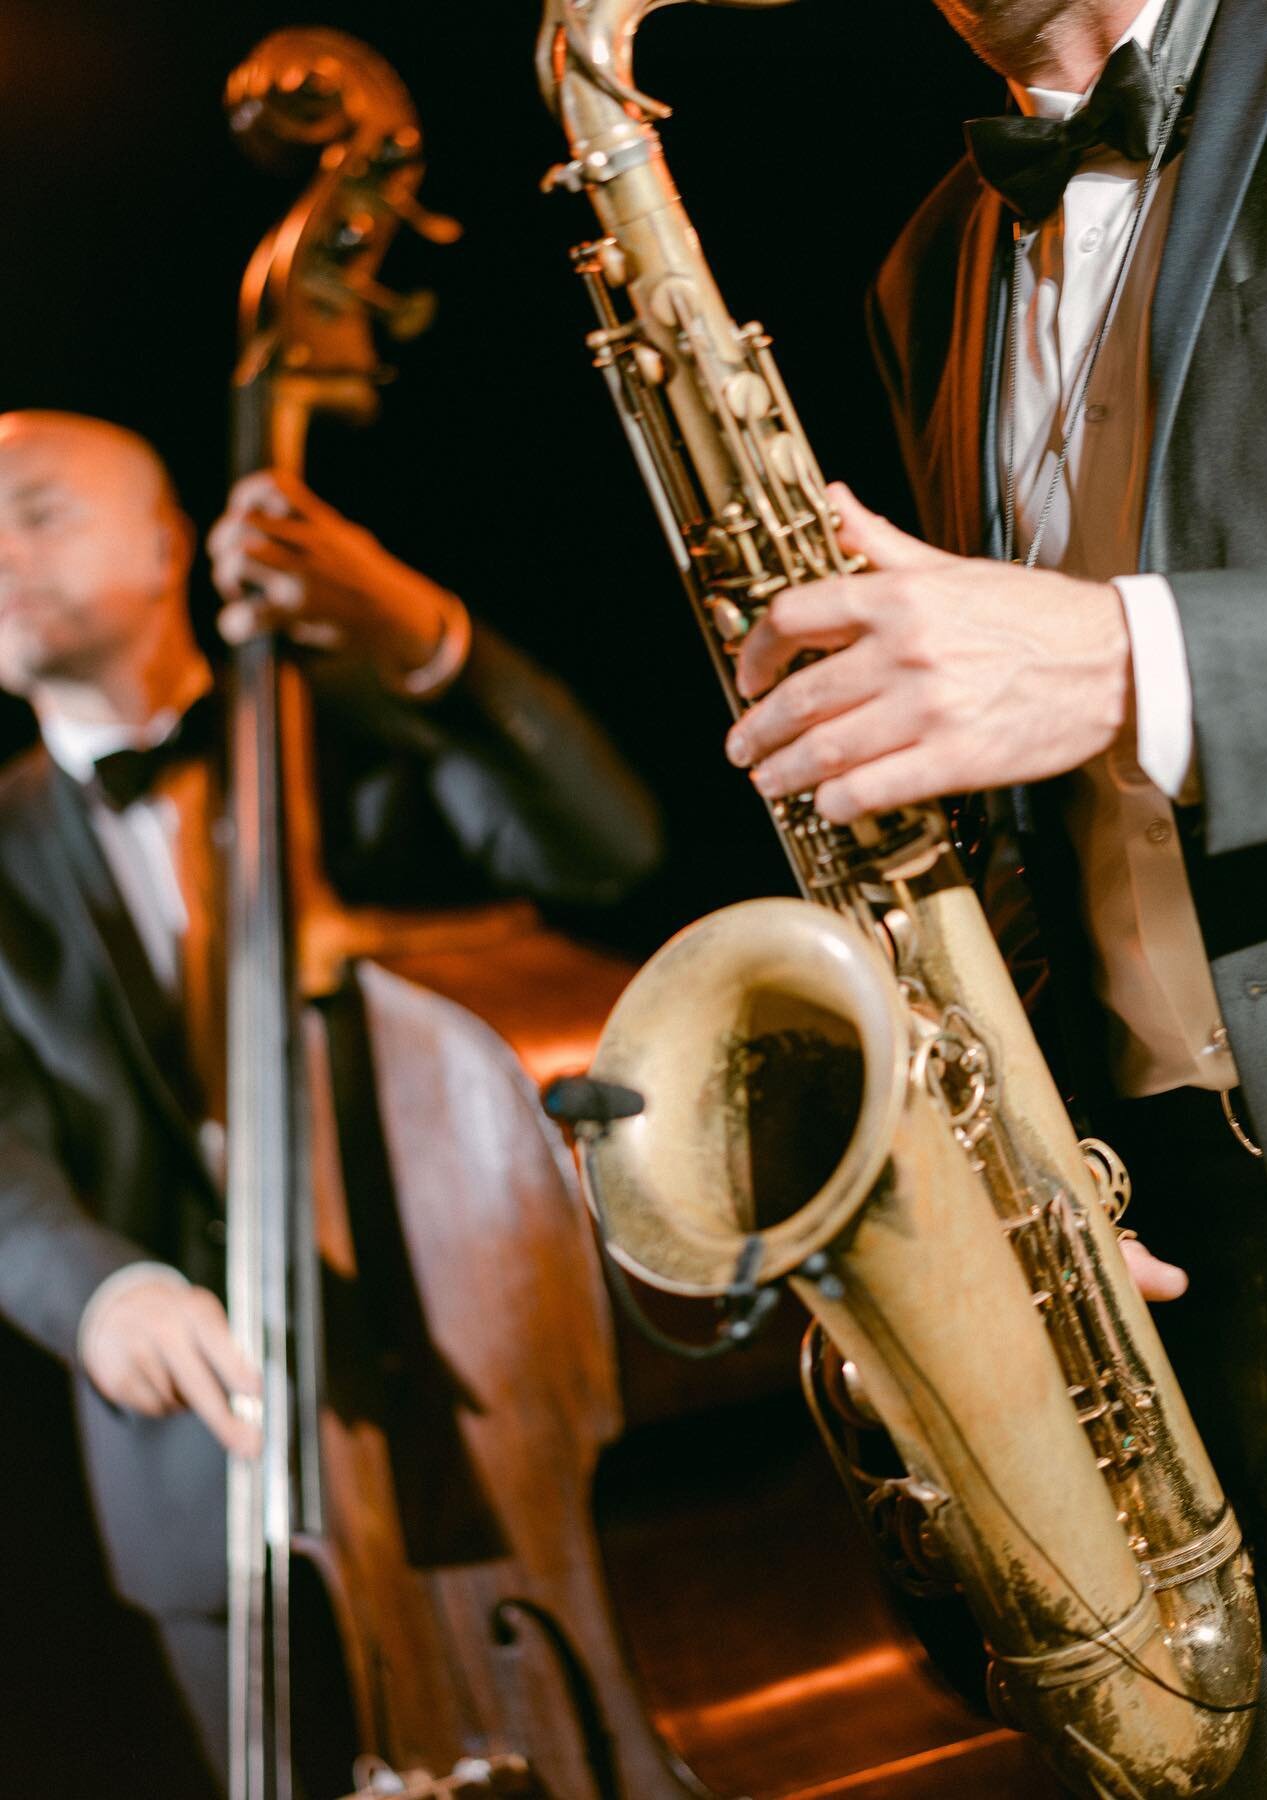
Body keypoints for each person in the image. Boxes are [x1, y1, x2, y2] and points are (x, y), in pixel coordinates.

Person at [720, 1, 1267, 1793]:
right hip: (1210, 1252)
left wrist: (1138, 661)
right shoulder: (929, 269)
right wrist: (1015, 1170)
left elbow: (1100, 680)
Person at [0, 409, 661, 1793]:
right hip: (201, 1485)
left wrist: (425, 645)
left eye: (38, 507)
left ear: (172, 536)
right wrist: (102, 1292)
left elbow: (604, 848)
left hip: (480, 1422)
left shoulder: (348, 729)